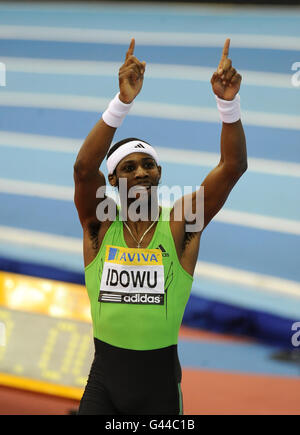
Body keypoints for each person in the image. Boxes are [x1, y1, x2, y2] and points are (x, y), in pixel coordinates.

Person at [74, 38, 247, 415]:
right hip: (103, 386)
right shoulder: (100, 226)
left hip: (160, 393)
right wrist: (121, 103)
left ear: (160, 174)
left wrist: (228, 104)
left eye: (147, 165)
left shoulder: (181, 224)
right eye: (128, 167)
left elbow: (232, 168)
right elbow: (83, 170)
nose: (140, 173)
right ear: (113, 181)